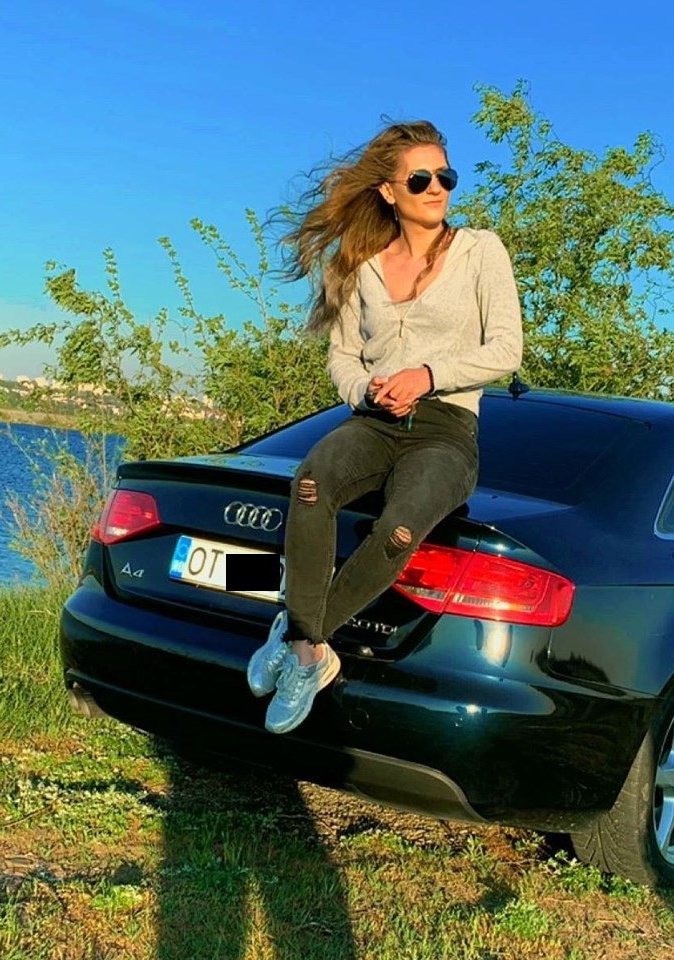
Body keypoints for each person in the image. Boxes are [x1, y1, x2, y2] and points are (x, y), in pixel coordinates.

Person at [247, 120, 523, 734]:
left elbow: (507, 350)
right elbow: (343, 357)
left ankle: (300, 636)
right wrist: (363, 389)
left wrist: (428, 374)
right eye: (420, 179)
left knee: (399, 528)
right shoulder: (359, 265)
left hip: (446, 427)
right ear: (389, 192)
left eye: (445, 176)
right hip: (373, 421)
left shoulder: (480, 251)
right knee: (312, 480)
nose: (436, 187)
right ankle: (308, 652)